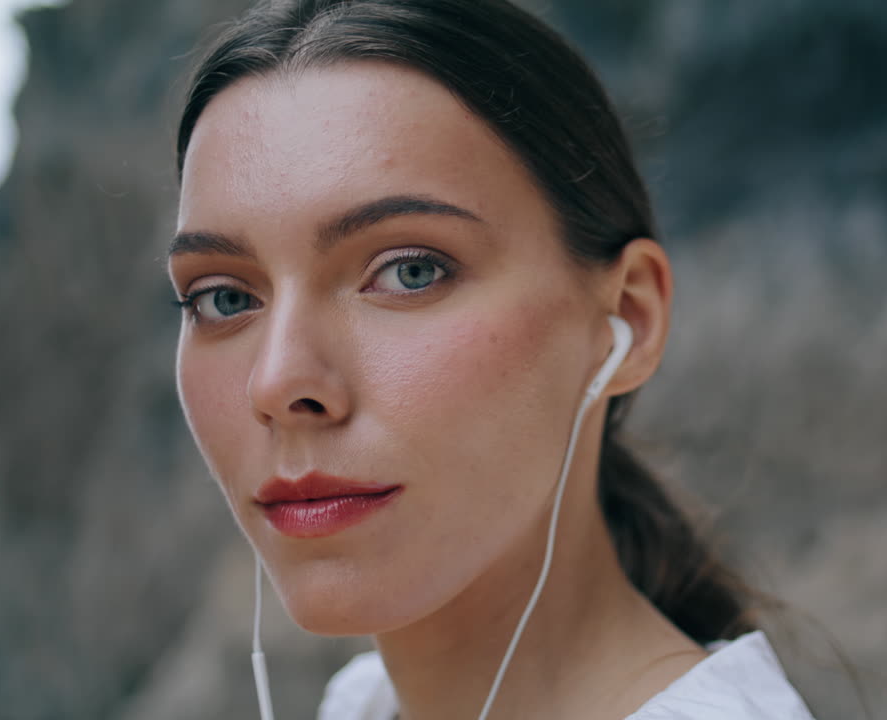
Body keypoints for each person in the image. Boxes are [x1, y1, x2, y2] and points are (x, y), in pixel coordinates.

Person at [169, 0, 815, 717]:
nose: (279, 380)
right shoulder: (362, 704)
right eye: (224, 298)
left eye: (410, 270)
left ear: (626, 316)